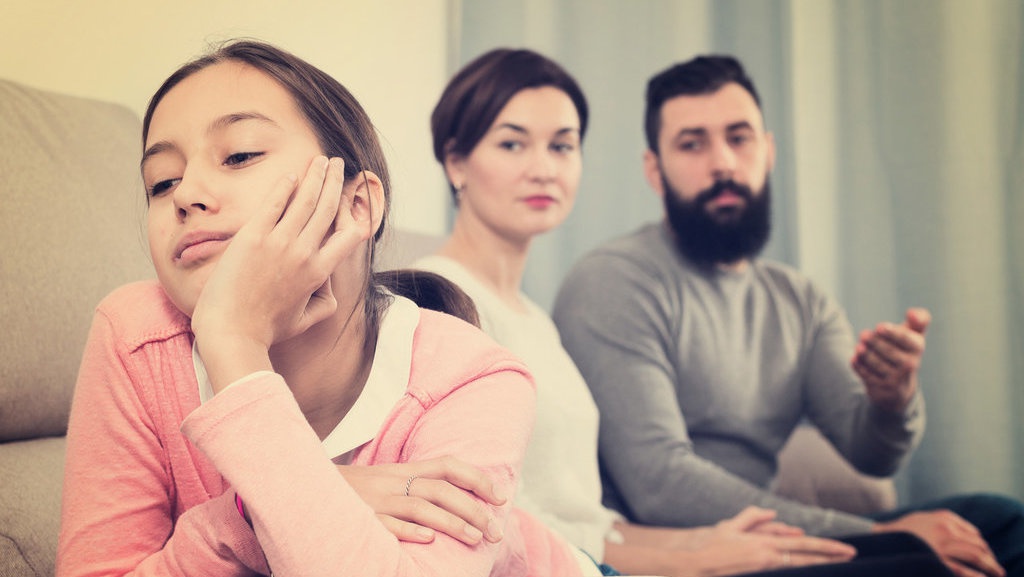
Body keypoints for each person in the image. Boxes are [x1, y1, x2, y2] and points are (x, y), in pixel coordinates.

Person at [414, 47, 957, 577]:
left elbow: (591, 520)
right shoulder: (437, 301)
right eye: (513, 144)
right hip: (571, 565)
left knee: (987, 521)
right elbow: (499, 518)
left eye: (562, 146)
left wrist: (893, 402)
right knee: (922, 561)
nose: (543, 169)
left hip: (610, 554)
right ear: (456, 161)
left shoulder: (535, 320)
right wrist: (688, 558)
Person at [56, 39, 590, 576]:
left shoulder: (475, 377)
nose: (185, 193)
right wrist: (246, 519)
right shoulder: (135, 336)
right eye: (161, 182)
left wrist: (234, 343)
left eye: (240, 155)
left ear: (357, 205)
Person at [551, 54, 1024, 577]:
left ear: (769, 150)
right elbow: (660, 486)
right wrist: (877, 537)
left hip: (773, 541)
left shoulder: (800, 301)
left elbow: (872, 455)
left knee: (1001, 522)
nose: (723, 162)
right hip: (686, 554)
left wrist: (893, 401)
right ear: (653, 170)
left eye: (739, 138)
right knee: (926, 564)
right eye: (692, 144)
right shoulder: (615, 281)